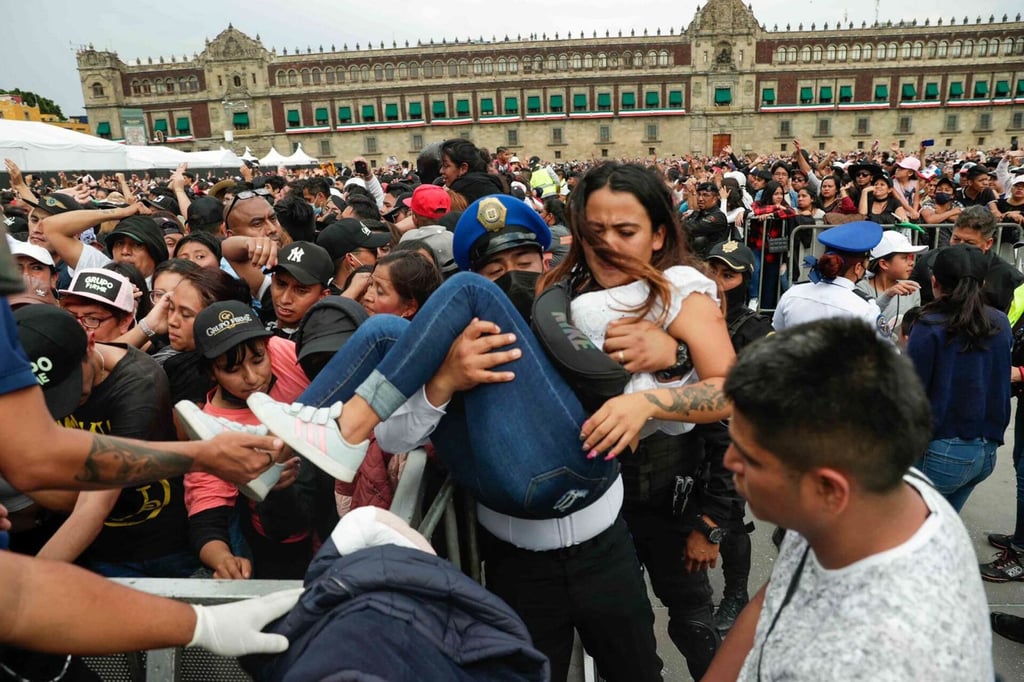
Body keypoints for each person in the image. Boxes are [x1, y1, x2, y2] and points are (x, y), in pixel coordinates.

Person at [243, 166, 734, 679]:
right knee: (388, 329)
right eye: (595, 233)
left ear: (658, 234)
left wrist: (664, 377)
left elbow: (728, 386)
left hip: (594, 522)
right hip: (512, 542)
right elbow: (395, 438)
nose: (608, 245)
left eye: (523, 261)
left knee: (634, 669)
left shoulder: (651, 291)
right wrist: (445, 381)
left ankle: (340, 432)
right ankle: (271, 448)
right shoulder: (533, 311)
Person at [0, 226, 297, 658]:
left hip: (166, 546)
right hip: (101, 556)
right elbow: (36, 464)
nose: (250, 373)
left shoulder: (142, 384)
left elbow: (73, 492)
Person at [704, 318, 993, 682]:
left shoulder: (879, 661)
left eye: (749, 457)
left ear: (828, 490)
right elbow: (775, 596)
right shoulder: (876, 487)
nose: (729, 461)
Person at [177, 300, 315, 579]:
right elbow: (206, 519)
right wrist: (224, 559)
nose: (252, 378)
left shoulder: (284, 353)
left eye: (258, 360)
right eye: (232, 369)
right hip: (282, 539)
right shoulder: (211, 430)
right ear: (210, 372)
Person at [906, 243, 1011, 512]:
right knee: (939, 531)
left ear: (934, 282)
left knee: (912, 538)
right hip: (985, 450)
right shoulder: (999, 321)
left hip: (944, 451)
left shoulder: (930, 325)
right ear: (983, 282)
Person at [773, 221, 886, 336]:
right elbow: (885, 350)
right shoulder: (866, 308)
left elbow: (776, 335)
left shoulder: (793, 293)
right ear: (858, 268)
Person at [911, 205, 1024, 312]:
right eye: (956, 239)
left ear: (988, 243)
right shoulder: (929, 262)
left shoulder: (1008, 279)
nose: (960, 246)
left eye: (970, 242)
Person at [857, 231, 927, 342]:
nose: (912, 262)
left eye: (911, 257)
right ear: (884, 264)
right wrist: (888, 295)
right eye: (905, 258)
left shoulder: (911, 289)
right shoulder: (861, 289)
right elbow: (862, 322)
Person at [748, 180, 796, 309]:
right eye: (776, 194)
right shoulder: (759, 203)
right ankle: (753, 298)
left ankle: (766, 312)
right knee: (755, 270)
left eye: (781, 193)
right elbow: (755, 210)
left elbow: (791, 212)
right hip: (757, 247)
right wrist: (775, 208)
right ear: (769, 194)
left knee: (770, 281)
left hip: (774, 251)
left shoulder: (785, 206)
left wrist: (771, 214)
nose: (779, 197)